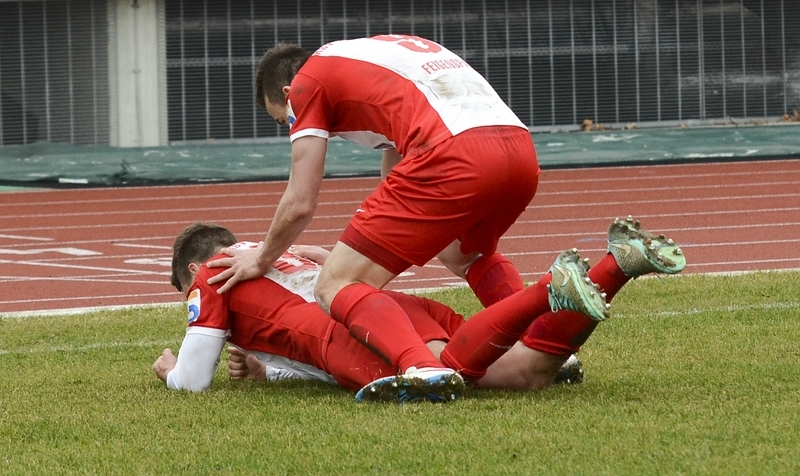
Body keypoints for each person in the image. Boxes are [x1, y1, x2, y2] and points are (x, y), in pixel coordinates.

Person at [204, 34, 551, 394]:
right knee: (462, 254)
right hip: (519, 152)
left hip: (454, 155)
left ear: (289, 93)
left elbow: (300, 202)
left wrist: (262, 258)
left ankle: (421, 368)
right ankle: (541, 343)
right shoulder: (363, 58)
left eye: (283, 120)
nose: (290, 125)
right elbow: (395, 172)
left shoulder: (306, 85)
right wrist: (360, 249)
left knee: (335, 283)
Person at [154, 217, 685, 401]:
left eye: (183, 294)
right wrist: (266, 371)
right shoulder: (273, 254)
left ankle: (548, 291)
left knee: (454, 373)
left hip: (354, 333)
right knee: (529, 373)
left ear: (191, 272)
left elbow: (194, 380)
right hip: (386, 307)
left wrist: (170, 371)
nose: (188, 302)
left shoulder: (209, 276)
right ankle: (615, 266)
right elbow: (296, 317)